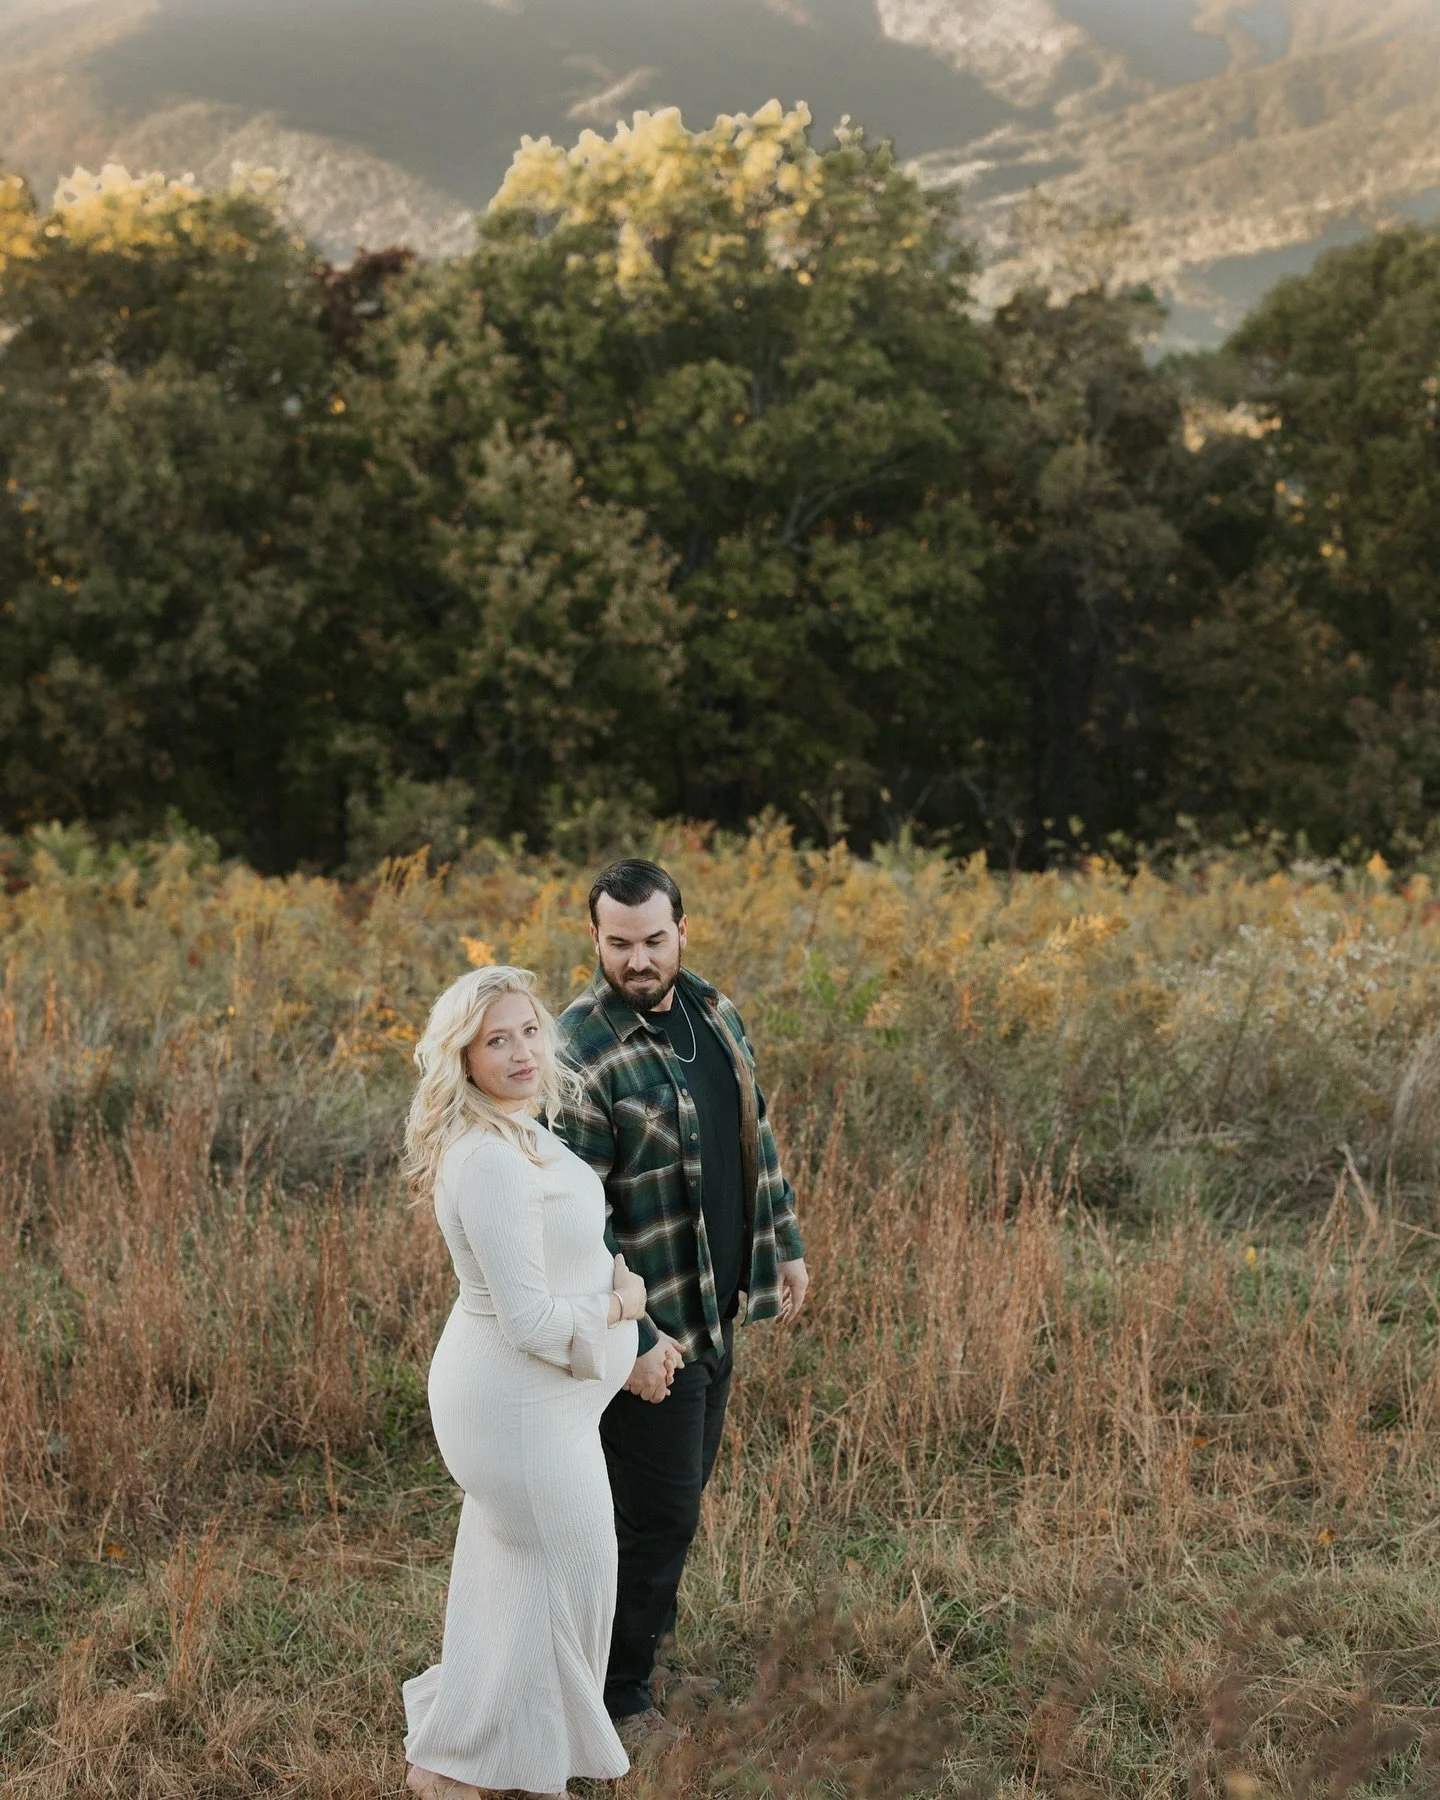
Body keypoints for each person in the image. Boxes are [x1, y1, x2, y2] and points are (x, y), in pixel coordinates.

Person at [557, 858, 810, 1744]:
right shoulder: (579, 1052)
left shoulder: (714, 1010)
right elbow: (570, 1225)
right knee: (653, 1512)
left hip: (716, 1310)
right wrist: (632, 1344)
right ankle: (617, 1699)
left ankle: (644, 1660)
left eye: (653, 940)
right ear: (595, 939)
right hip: (651, 1327)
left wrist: (782, 1245)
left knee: (681, 1501)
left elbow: (757, 1135)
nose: (638, 960)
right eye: (618, 943)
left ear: (682, 932)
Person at [400, 964, 649, 1800]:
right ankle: (493, 1766)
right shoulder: (489, 1163)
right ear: (462, 1057)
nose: (519, 1052)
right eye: (494, 1040)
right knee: (575, 1581)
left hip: (544, 1412)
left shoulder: (526, 1134)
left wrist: (629, 1331)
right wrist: (622, 1309)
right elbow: (534, 1324)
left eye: (528, 1032)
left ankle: (455, 1761)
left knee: (511, 1584)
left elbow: (568, 1252)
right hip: (513, 1413)